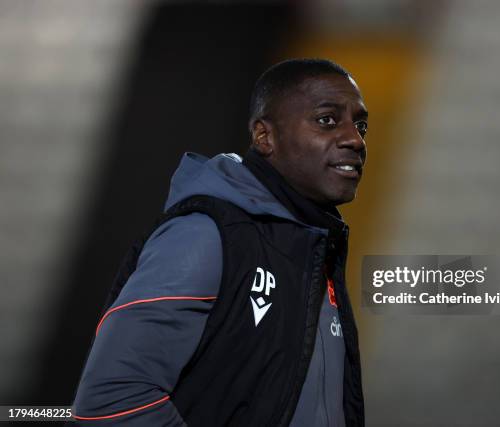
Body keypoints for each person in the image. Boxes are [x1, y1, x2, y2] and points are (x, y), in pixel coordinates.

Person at [71, 58, 368, 426]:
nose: (354, 139)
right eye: (327, 120)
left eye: (361, 125)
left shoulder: (313, 246)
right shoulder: (205, 234)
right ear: (265, 137)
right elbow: (111, 403)